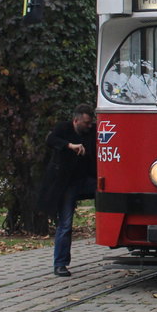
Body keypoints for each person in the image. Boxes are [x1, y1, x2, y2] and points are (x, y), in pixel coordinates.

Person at [39, 104, 97, 277]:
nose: (88, 126)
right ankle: (60, 264)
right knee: (65, 224)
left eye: (90, 122)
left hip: (86, 179)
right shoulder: (62, 128)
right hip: (66, 183)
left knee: (109, 190)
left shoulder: (92, 131)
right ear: (76, 120)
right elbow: (51, 140)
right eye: (86, 123)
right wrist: (69, 145)